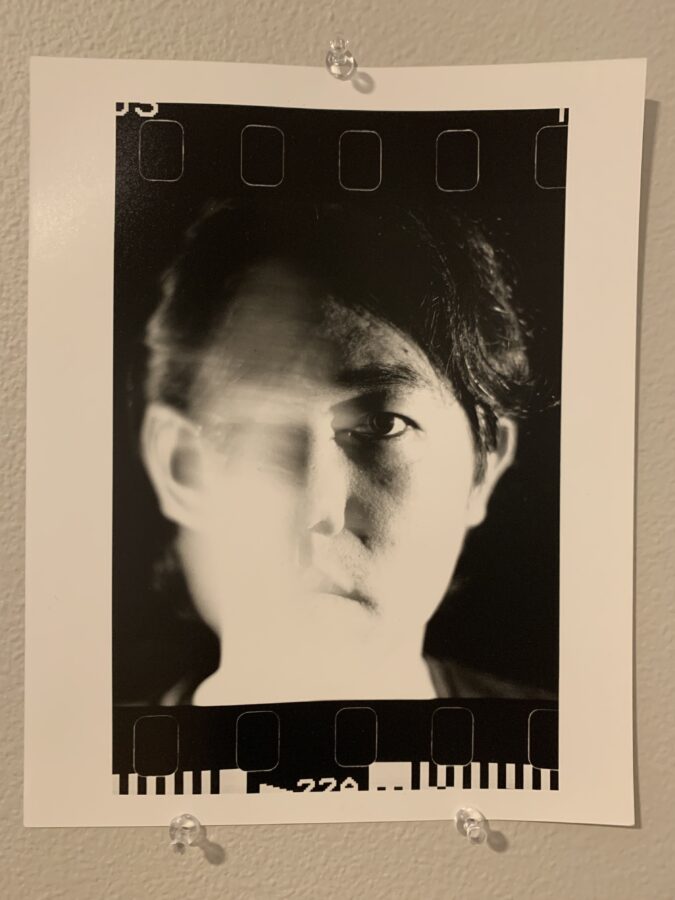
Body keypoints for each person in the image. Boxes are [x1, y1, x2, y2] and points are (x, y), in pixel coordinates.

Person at [136, 197, 534, 705]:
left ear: (482, 467)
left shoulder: (559, 742)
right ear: (179, 467)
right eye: (261, 430)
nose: (318, 511)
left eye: (383, 424)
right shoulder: (87, 751)